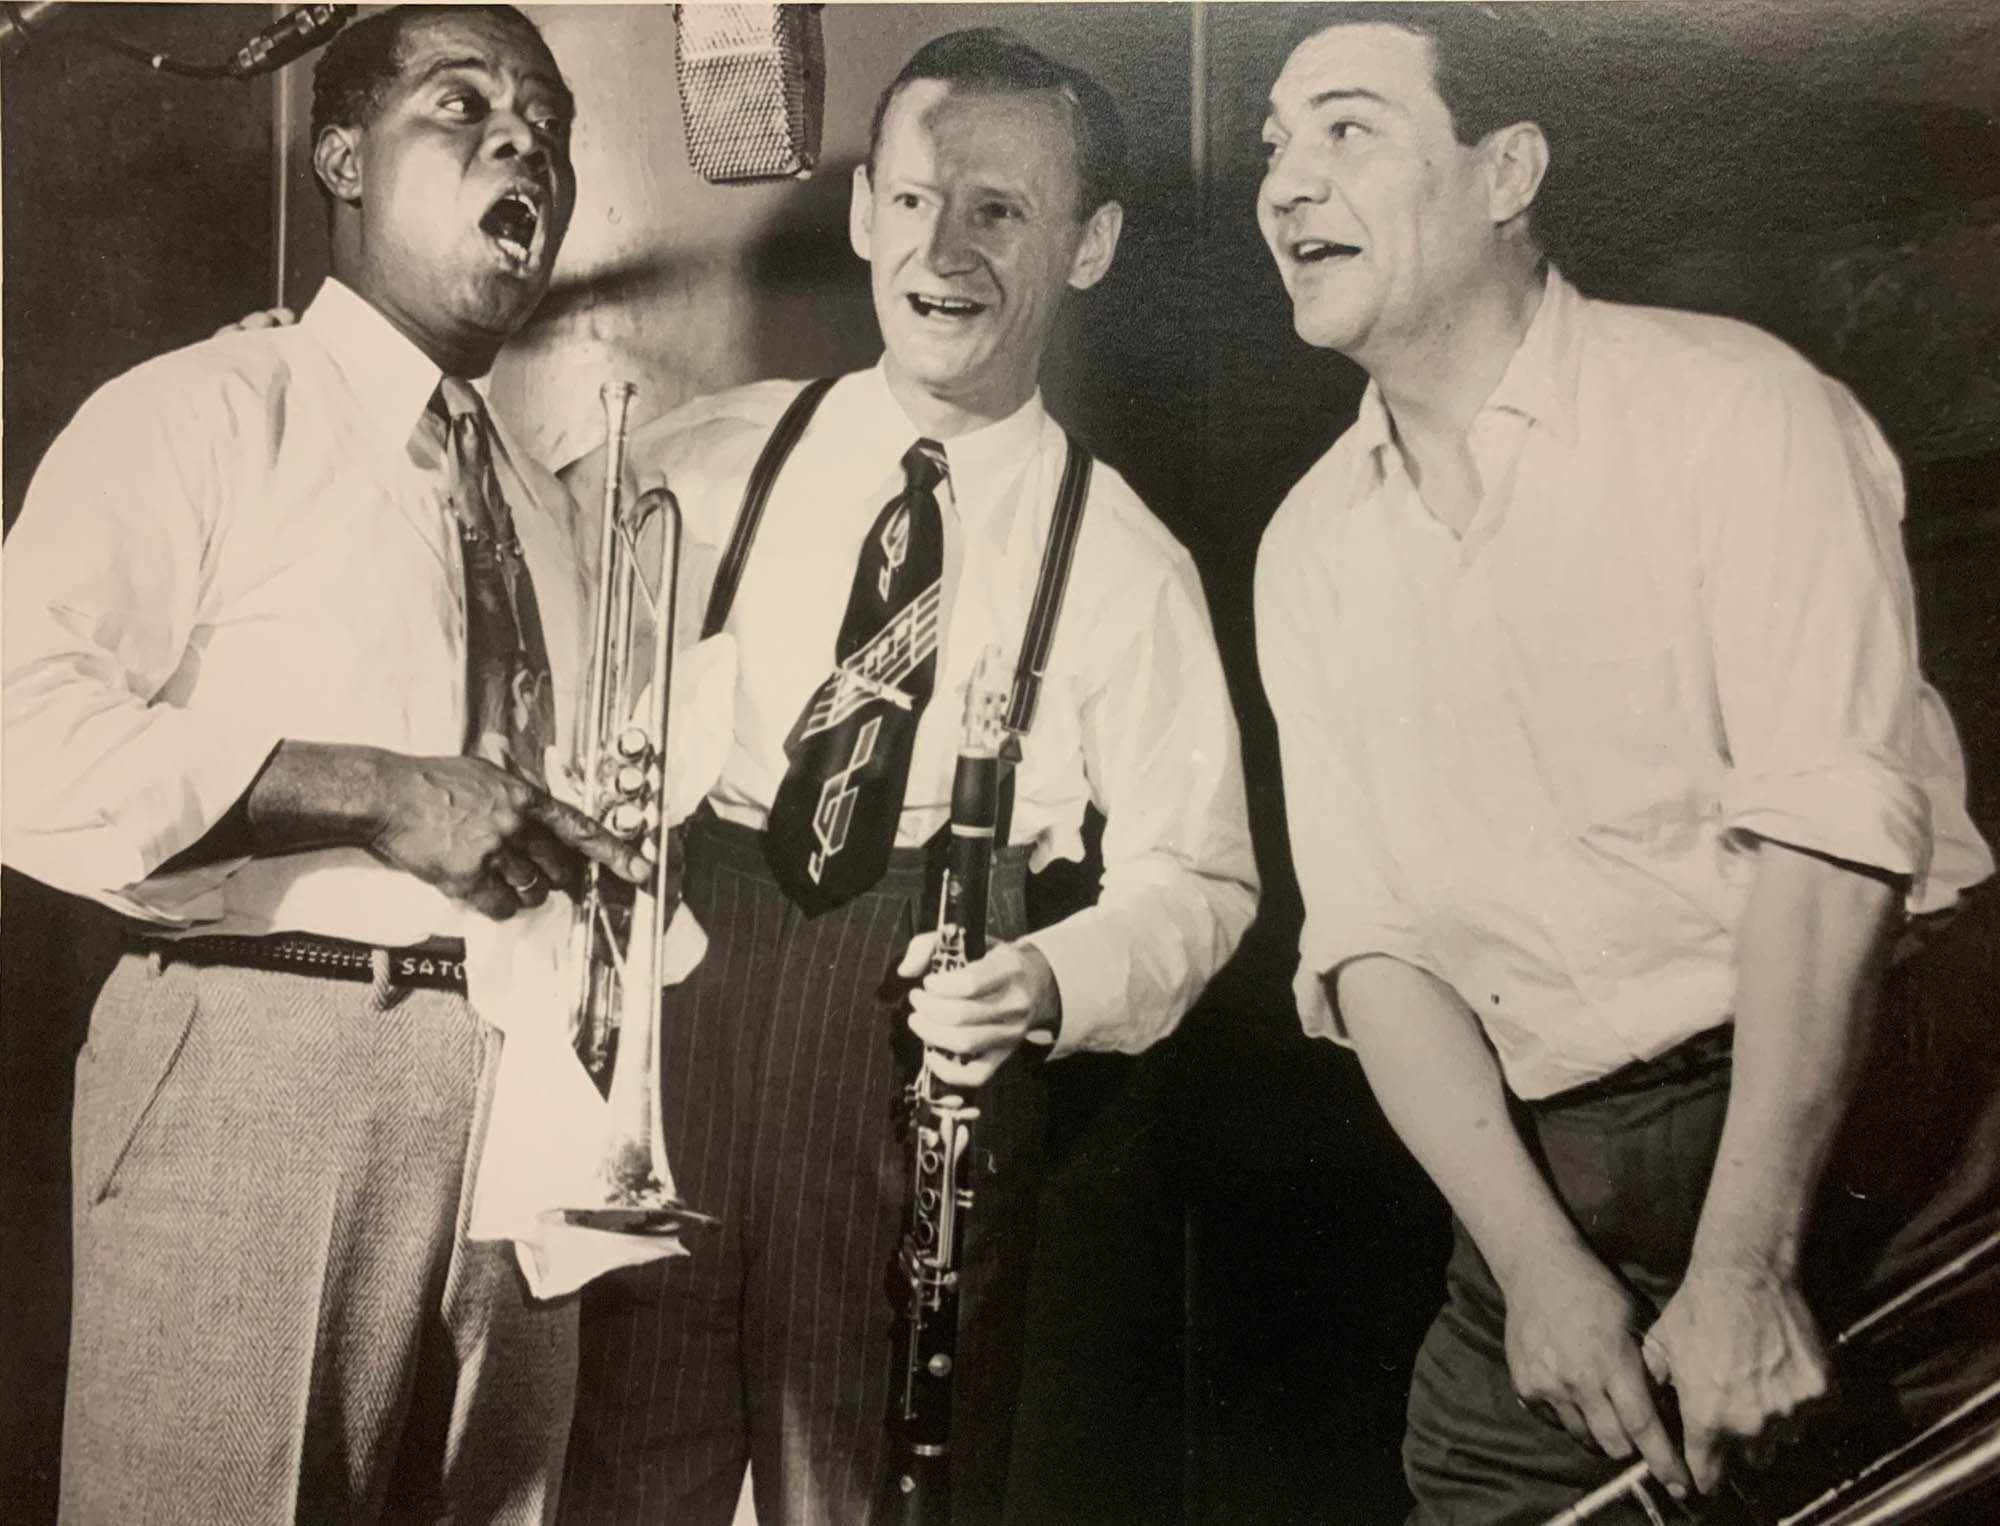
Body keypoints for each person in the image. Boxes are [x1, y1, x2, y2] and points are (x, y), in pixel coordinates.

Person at [1251, 7, 2000, 1524]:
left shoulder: (1736, 409)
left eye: (1348, 128)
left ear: (1506, 169)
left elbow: (1833, 842)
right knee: (1467, 1472)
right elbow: (1376, 952)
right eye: (1274, 145)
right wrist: (1535, 1269)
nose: (1283, 185)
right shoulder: (1306, 550)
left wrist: (1745, 1262)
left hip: (1883, 1124)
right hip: (1569, 1169)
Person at [556, 28, 1258, 1526]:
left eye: (1002, 211)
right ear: (871, 206)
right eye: (923, 199)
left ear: (1091, 246)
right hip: (682, 1020)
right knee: (621, 1475)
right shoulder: (701, 458)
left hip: (920, 1042)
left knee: (874, 1494)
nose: (949, 248)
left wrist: (1051, 980)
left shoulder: (1129, 562)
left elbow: (1202, 877)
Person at [1, 7, 647, 1521]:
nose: (523, 142)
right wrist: (370, 786)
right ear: (342, 157)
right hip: (261, 1057)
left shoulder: (540, 510)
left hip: (522, 1106)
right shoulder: (204, 414)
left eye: (547, 120)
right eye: (464, 104)